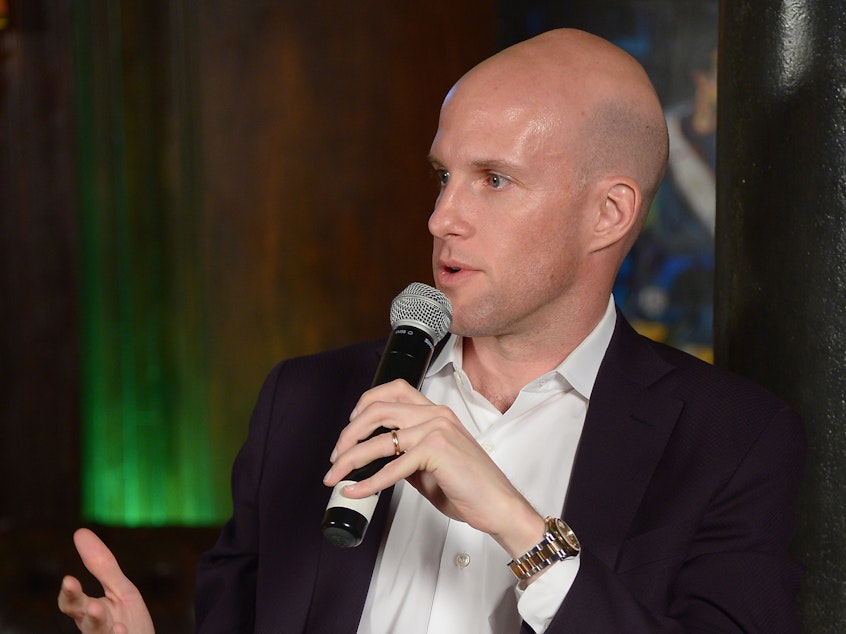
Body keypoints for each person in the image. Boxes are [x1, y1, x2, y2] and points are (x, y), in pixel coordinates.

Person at [59, 28, 805, 633]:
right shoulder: (304, 401)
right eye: (443, 176)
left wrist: (519, 527)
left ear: (607, 214)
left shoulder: (732, 442)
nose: (442, 217)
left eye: (494, 179)